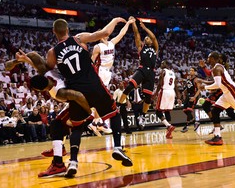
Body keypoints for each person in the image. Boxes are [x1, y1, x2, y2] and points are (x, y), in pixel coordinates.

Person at [46, 18, 133, 178]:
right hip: (94, 85)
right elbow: (105, 33)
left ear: (54, 32)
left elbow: (49, 71)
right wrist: (115, 20)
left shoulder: (52, 52)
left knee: (77, 126)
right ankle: (118, 147)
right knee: (114, 113)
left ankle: (73, 162)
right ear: (68, 30)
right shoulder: (79, 39)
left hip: (76, 93)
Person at [88, 18, 135, 134]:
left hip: (107, 72)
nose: (106, 34)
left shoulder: (112, 43)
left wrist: (128, 23)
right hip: (100, 71)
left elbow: (122, 33)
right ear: (99, 36)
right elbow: (91, 62)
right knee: (101, 96)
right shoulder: (97, 47)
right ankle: (97, 122)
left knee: (100, 97)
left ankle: (96, 122)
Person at [199, 54, 235, 139]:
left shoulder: (219, 67)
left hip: (222, 91)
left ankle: (217, 129)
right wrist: (203, 68)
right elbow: (210, 75)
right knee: (227, 112)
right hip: (222, 91)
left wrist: (203, 83)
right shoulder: (217, 67)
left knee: (210, 107)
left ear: (219, 59)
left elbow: (215, 83)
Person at [118, 16, 159, 119]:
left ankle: (143, 116)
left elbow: (153, 37)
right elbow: (136, 34)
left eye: (147, 37)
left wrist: (145, 28)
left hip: (151, 72)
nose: (147, 38)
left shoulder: (155, 48)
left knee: (148, 98)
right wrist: (133, 23)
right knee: (129, 86)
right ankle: (118, 105)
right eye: (145, 38)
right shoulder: (141, 48)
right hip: (142, 69)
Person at [154, 60, 181, 139]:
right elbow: (175, 85)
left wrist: (155, 93)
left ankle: (168, 126)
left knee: (158, 111)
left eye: (163, 63)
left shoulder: (163, 71)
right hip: (172, 92)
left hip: (165, 91)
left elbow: (160, 83)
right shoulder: (173, 73)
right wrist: (178, 96)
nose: (161, 64)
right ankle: (169, 132)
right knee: (167, 111)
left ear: (166, 65)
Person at [181, 67, 201, 133]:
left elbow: (199, 89)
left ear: (195, 72)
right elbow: (188, 87)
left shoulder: (196, 79)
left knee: (189, 110)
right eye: (190, 70)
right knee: (184, 110)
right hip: (188, 95)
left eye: (192, 70)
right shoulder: (188, 78)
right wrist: (184, 92)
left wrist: (195, 97)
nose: (190, 71)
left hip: (193, 95)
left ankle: (186, 126)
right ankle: (195, 122)